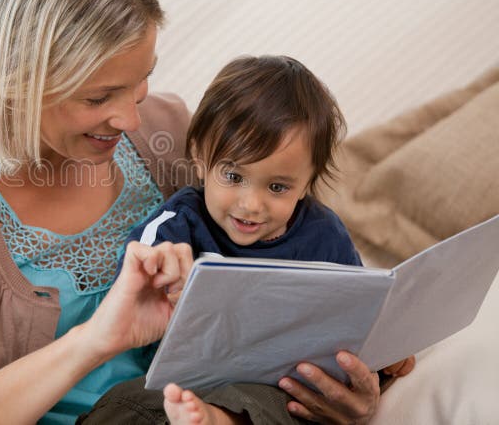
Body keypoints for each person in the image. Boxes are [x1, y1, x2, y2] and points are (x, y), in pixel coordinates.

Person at [0, 0, 388, 425]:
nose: (130, 118)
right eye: (100, 96)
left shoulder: (175, 137)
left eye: (141, 80)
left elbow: (303, 261)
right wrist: (95, 339)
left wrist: (350, 384)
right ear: (11, 81)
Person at [84, 55, 415, 425]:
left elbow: (358, 320)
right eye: (233, 176)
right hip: (177, 387)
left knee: (286, 400)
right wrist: (164, 290)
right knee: (125, 406)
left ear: (307, 182)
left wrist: (386, 356)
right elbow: (126, 305)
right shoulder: (174, 228)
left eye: (277, 187)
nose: (251, 204)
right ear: (199, 157)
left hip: (274, 391)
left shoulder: (324, 235)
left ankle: (217, 420)